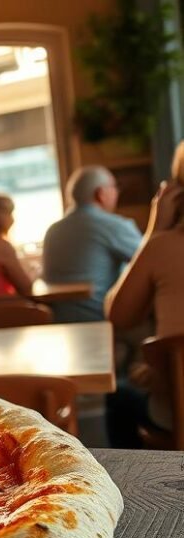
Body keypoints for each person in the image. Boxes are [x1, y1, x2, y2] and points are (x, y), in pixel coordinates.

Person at [104, 143, 184, 445]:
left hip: (178, 413)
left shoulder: (162, 247)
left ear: (175, 191)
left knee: (117, 398)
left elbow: (118, 315)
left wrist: (152, 232)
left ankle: (136, 491)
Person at [42, 166, 143, 323]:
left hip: (59, 323)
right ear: (100, 194)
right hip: (101, 320)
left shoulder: (53, 230)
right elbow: (152, 260)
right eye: (114, 187)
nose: (117, 193)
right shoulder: (113, 226)